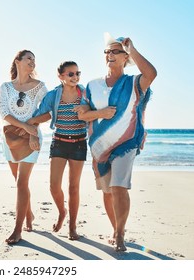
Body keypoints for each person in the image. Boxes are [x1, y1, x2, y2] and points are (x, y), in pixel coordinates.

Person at [75, 33, 157, 251]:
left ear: (125, 58)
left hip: (126, 143)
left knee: (118, 186)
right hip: (99, 146)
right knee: (107, 191)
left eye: (115, 51)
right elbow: (83, 114)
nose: (110, 54)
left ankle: (120, 234)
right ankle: (115, 228)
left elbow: (151, 73)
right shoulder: (92, 86)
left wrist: (132, 49)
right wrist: (101, 112)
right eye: (107, 51)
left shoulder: (133, 83)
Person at [27, 61, 87, 240]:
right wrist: (31, 132)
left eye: (77, 73)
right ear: (60, 76)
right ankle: (62, 211)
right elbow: (39, 115)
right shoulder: (53, 95)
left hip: (79, 143)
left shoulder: (85, 93)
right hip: (59, 142)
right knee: (54, 186)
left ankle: (73, 227)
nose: (75, 77)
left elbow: (96, 112)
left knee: (74, 188)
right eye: (70, 74)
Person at [0, 49, 48, 244]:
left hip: (32, 138)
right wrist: (24, 125)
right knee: (19, 182)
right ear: (17, 61)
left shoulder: (40, 87)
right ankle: (29, 215)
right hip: (10, 138)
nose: (32, 62)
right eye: (29, 58)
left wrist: (31, 127)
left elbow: (47, 113)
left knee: (21, 182)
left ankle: (17, 230)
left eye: (35, 59)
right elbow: (3, 112)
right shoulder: (5, 87)